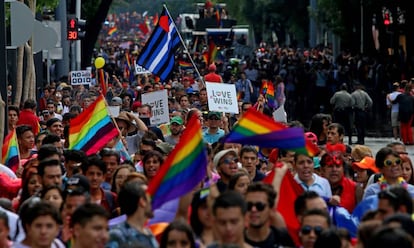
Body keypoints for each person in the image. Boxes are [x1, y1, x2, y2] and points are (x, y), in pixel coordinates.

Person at [106, 180, 158, 248]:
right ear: (142, 201)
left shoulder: (149, 233)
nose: (154, 201)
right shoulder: (117, 235)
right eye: (150, 197)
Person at [244, 182, 294, 248]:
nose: (253, 209)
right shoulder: (236, 239)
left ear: (271, 210)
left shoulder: (283, 238)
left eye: (260, 206)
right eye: (249, 205)